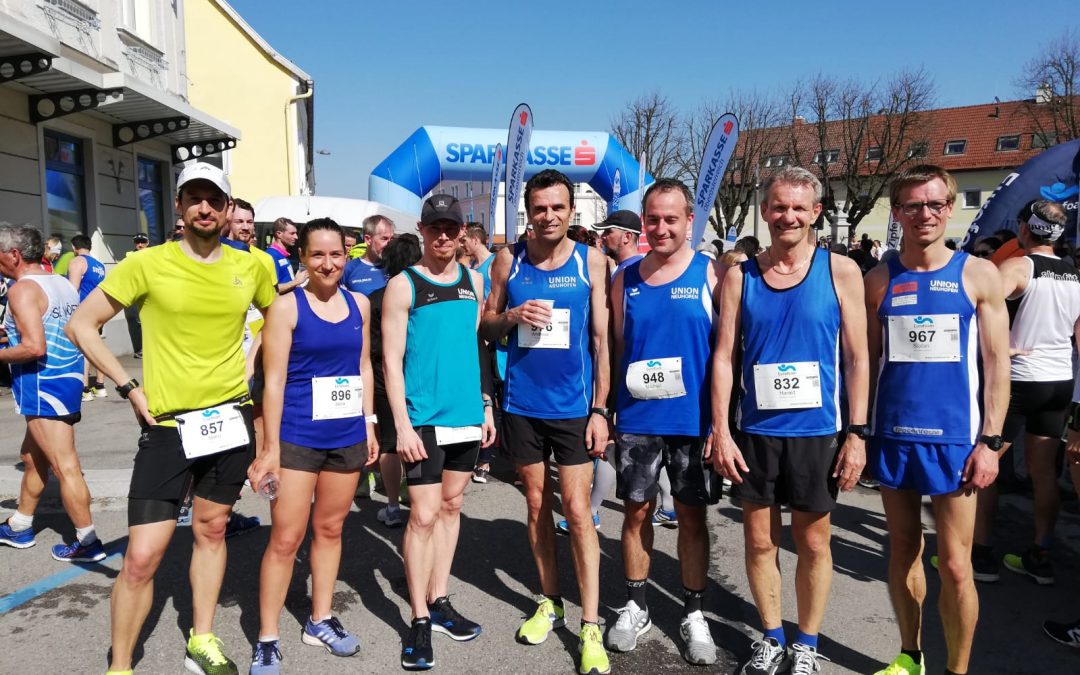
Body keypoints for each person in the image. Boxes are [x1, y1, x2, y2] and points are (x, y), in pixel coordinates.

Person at [66, 162, 276, 675]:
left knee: (212, 530)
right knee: (141, 556)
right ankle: (120, 665)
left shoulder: (254, 267)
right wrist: (128, 386)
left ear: (228, 211)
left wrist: (256, 370)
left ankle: (201, 638)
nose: (205, 207)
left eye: (215, 199)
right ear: (178, 207)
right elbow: (82, 325)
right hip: (168, 428)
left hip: (230, 420)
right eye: (194, 198)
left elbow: (280, 325)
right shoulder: (146, 265)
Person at [710, 166, 869, 675]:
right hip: (756, 432)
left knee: (814, 542)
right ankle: (772, 635)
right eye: (779, 206)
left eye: (799, 207)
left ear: (816, 212)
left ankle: (806, 642)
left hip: (817, 432)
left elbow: (858, 358)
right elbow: (723, 356)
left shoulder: (840, 270)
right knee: (759, 541)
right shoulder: (741, 274)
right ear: (765, 210)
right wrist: (720, 429)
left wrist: (857, 434)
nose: (788, 216)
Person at [864, 164, 1009, 675]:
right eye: (911, 205)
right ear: (897, 212)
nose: (924, 214)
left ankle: (958, 669)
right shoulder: (879, 279)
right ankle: (910, 654)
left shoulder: (978, 274)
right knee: (902, 550)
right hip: (893, 435)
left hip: (957, 441)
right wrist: (860, 433)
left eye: (934, 204)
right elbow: (865, 364)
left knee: (954, 565)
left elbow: (996, 365)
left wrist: (990, 440)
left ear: (949, 207)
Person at [481, 169, 612, 675]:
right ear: (528, 213)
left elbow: (602, 342)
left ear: (571, 212)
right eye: (540, 208)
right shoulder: (507, 262)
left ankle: (592, 624)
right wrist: (512, 316)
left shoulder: (591, 261)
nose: (549, 216)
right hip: (522, 406)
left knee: (578, 511)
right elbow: (487, 329)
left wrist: (601, 409)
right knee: (536, 503)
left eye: (558, 207)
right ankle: (550, 600)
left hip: (575, 409)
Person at [247, 219, 378, 673]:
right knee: (286, 538)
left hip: (346, 436)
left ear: (348, 255)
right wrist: (269, 448)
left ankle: (320, 619)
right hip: (298, 437)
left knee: (330, 530)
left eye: (337, 254)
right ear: (302, 257)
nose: (328, 263)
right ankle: (266, 637)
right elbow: (274, 380)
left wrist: (370, 423)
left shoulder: (360, 303)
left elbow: (363, 369)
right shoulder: (286, 308)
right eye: (318, 254)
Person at [605, 179, 720, 665]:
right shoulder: (625, 277)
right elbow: (614, 347)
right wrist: (605, 411)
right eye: (653, 218)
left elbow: (727, 353)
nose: (661, 227)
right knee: (635, 513)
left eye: (671, 219)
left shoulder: (711, 274)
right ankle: (637, 604)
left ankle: (694, 612)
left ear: (689, 221)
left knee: (692, 517)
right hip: (637, 418)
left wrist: (721, 423)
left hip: (694, 422)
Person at [382, 194, 495, 670]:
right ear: (423, 232)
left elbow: (474, 349)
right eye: (436, 228)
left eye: (452, 228)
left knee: (452, 508)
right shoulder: (403, 285)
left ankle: (441, 597)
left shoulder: (474, 280)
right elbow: (390, 361)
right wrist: (402, 425)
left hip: (466, 415)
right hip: (423, 419)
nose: (444, 236)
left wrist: (485, 405)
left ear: (462, 232)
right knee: (423, 516)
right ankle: (419, 617)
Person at [973, 200, 1079, 586]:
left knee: (986, 464)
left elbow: (978, 309)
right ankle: (1040, 553)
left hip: (1019, 379)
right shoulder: (1073, 274)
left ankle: (980, 554)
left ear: (1023, 229)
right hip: (1060, 380)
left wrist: (1004, 347)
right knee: (1044, 473)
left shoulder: (1018, 266)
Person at [0, 224, 103, 562]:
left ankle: (87, 541)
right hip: (68, 378)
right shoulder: (59, 282)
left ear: (14, 255)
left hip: (44, 383)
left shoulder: (22, 290)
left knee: (64, 466)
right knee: (33, 457)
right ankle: (20, 525)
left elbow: (33, 346)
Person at [556, 209, 643, 533]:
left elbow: (616, 333)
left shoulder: (629, 272)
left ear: (628, 237)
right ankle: (668, 505)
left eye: (609, 232)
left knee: (609, 447)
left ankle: (591, 511)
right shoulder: (623, 270)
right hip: (628, 374)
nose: (603, 237)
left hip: (626, 376)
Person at [368, 234, 423, 528]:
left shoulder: (375, 298)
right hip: (417, 371)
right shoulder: (421, 294)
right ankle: (419, 500)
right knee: (421, 434)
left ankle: (392, 505)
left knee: (390, 440)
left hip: (381, 373)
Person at [461, 223, 498, 483]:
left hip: (492, 340)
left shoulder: (494, 265)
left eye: (464, 240)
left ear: (475, 240)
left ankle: (486, 459)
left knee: (490, 394)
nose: (462, 245)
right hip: (476, 338)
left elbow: (497, 302)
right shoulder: (473, 270)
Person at [66, 233, 108, 401]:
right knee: (97, 346)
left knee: (82, 350)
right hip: (99, 310)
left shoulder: (77, 261)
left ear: (74, 248)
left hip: (83, 311)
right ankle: (100, 386)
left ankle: (84, 389)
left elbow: (72, 288)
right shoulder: (100, 265)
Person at [342, 215, 395, 296]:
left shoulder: (395, 266)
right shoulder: (348, 268)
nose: (389, 244)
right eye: (384, 238)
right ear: (368, 239)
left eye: (391, 239)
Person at [123, 233, 149, 359]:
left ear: (147, 243)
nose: (140, 245)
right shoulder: (129, 256)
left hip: (149, 292)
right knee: (134, 321)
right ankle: (139, 349)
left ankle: (150, 348)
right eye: (137, 242)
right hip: (133, 293)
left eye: (142, 242)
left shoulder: (153, 255)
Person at [267, 217, 306, 294]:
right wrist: (296, 281)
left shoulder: (282, 254)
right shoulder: (271, 255)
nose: (296, 237)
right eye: (292, 233)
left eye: (296, 233)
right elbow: (271, 289)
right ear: (279, 234)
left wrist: (295, 279)